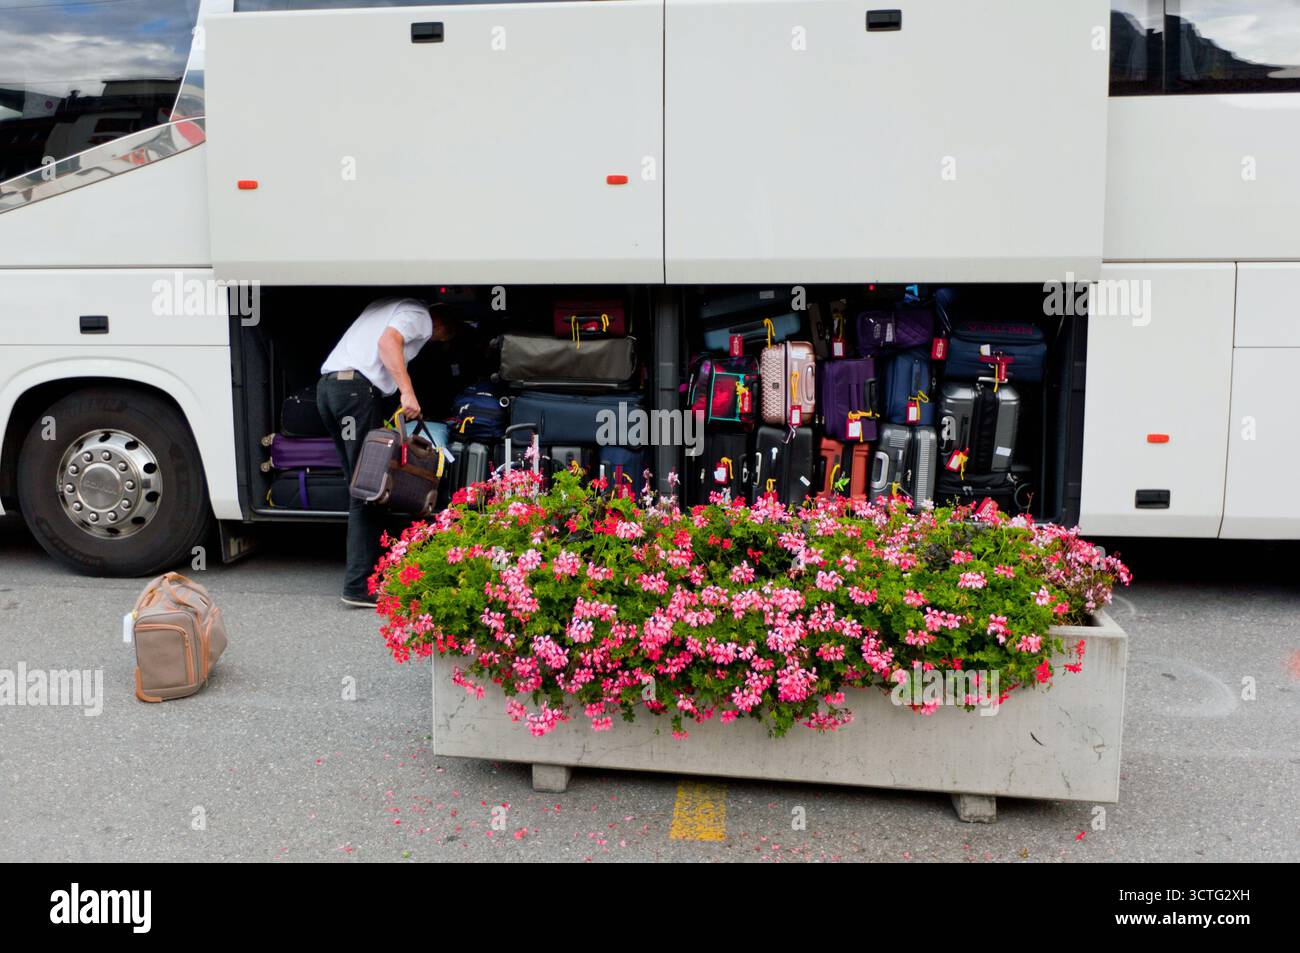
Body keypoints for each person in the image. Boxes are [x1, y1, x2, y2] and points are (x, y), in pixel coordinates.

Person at [317, 297, 455, 608]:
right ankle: (358, 586)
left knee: (359, 484)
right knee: (368, 489)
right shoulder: (421, 316)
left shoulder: (387, 306)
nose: (434, 342)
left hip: (329, 390)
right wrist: (407, 391)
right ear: (442, 327)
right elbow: (388, 342)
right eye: (441, 339)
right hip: (354, 393)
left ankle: (363, 576)